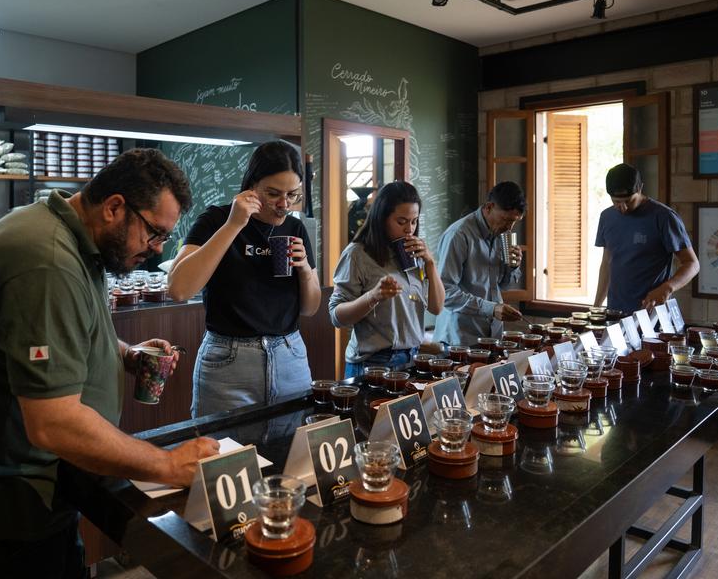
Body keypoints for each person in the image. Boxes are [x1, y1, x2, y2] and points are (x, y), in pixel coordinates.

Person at [0, 148, 220, 578]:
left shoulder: (68, 232)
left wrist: (125, 353)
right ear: (114, 208)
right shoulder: (46, 263)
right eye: (154, 234)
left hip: (25, 486)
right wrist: (168, 465)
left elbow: (60, 332)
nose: (157, 249)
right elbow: (53, 422)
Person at [168, 141, 320, 417]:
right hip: (228, 360)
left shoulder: (295, 228)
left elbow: (310, 308)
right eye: (273, 194)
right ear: (251, 186)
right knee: (224, 455)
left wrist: (305, 270)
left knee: (290, 453)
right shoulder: (217, 219)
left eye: (292, 195)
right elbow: (179, 288)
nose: (283, 205)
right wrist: (234, 225)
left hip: (290, 356)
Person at [329, 181, 444, 378]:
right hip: (373, 363)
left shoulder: (413, 252)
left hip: (412, 357)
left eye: (414, 221)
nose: (409, 229)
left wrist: (430, 263)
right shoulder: (357, 254)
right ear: (382, 218)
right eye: (401, 222)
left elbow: (436, 307)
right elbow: (336, 316)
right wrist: (373, 296)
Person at [593, 163, 699, 313]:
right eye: (616, 201)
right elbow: (607, 263)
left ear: (640, 188)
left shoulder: (664, 217)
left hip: (652, 313)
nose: (622, 207)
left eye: (628, 201)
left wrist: (667, 288)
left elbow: (692, 264)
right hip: (615, 312)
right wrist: (596, 306)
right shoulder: (607, 217)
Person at [433, 181, 525, 347]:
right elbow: (444, 292)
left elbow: (503, 286)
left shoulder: (501, 234)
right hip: (459, 339)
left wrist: (513, 267)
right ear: (489, 207)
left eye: (514, 221)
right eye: (505, 219)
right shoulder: (459, 235)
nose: (509, 227)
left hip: (493, 336)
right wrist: (492, 308)